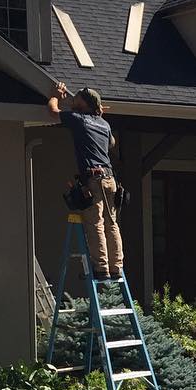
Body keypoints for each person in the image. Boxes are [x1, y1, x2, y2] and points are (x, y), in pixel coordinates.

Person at [47, 83, 123, 279]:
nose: (74, 99)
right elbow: (111, 143)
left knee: (95, 223)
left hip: (94, 179)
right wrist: (98, 117)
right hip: (110, 179)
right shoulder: (104, 125)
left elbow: (53, 111)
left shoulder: (78, 120)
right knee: (112, 223)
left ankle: (102, 268)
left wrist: (56, 95)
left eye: (77, 97)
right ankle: (116, 267)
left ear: (86, 103)